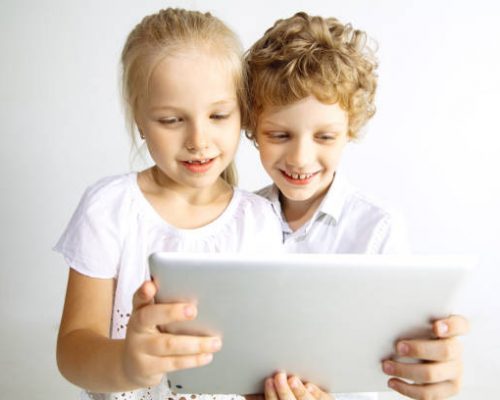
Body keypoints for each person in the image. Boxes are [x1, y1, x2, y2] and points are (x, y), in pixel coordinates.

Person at [54, 8, 282, 400]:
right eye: (172, 120)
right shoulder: (109, 208)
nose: (198, 139)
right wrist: (127, 363)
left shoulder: (257, 220)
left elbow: (260, 357)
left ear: (241, 112)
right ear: (140, 120)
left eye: (218, 114)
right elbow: (72, 350)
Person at [244, 12, 469, 400]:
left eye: (325, 136)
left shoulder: (377, 227)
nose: (300, 157)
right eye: (279, 134)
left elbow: (394, 358)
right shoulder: (238, 216)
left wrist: (428, 364)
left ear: (350, 130)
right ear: (252, 127)